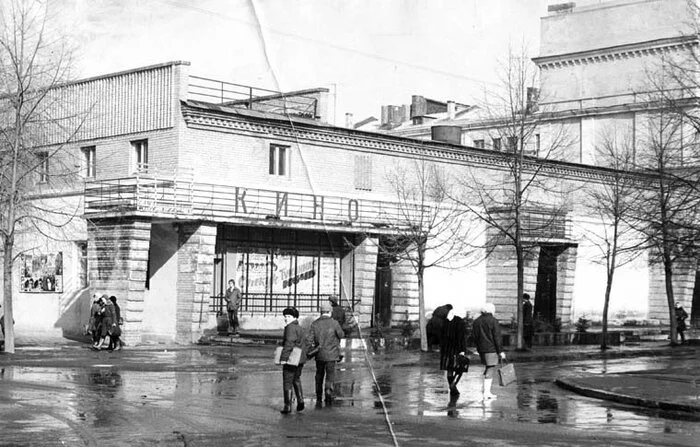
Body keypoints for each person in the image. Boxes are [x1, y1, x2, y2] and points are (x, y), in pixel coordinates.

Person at [308, 300, 344, 406]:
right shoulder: (334, 323)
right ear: (330, 311)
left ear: (321, 311)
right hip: (332, 355)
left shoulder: (315, 324)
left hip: (319, 354)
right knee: (330, 375)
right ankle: (328, 392)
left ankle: (318, 396)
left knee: (319, 374)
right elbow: (341, 335)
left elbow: (309, 339)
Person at [472, 303, 505, 401]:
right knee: (490, 368)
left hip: (481, 348)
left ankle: (486, 391)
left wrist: (478, 348)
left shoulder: (476, 321)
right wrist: (501, 351)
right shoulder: (493, 321)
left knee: (487, 367)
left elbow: (474, 336)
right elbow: (497, 337)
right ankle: (486, 393)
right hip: (491, 348)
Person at [279, 307, 309, 414]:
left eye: (288, 316)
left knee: (287, 381)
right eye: (285, 316)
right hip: (300, 359)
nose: (286, 318)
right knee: (296, 379)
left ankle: (287, 406)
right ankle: (300, 400)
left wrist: (283, 358)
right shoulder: (299, 328)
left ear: (294, 317)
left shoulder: (290, 328)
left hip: (291, 359)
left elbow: (289, 344)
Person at [439, 306, 469, 396]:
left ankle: (452, 386)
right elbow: (462, 337)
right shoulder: (459, 322)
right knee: (459, 368)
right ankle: (453, 386)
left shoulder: (444, 322)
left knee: (449, 369)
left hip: (446, 350)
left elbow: (441, 337)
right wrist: (462, 350)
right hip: (456, 349)